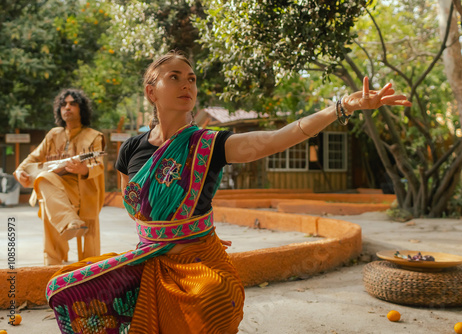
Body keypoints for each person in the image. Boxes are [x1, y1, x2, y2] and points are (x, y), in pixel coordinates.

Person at [46, 50, 411, 334]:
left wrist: (341, 107)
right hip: (149, 256)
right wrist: (170, 233)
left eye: (191, 78)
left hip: (199, 257)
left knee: (212, 298)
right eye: (174, 77)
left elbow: (276, 138)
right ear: (151, 91)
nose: (187, 84)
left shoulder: (210, 145)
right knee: (68, 289)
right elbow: (136, 208)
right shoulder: (131, 148)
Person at [13, 89, 105, 266]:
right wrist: (19, 170)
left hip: (83, 192)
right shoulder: (53, 135)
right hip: (53, 188)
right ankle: (67, 228)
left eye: (72, 104)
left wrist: (83, 169)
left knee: (44, 183)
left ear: (81, 109)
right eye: (63, 104)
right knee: (45, 179)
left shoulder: (94, 136)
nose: (67, 107)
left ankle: (87, 271)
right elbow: (34, 157)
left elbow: (98, 163)